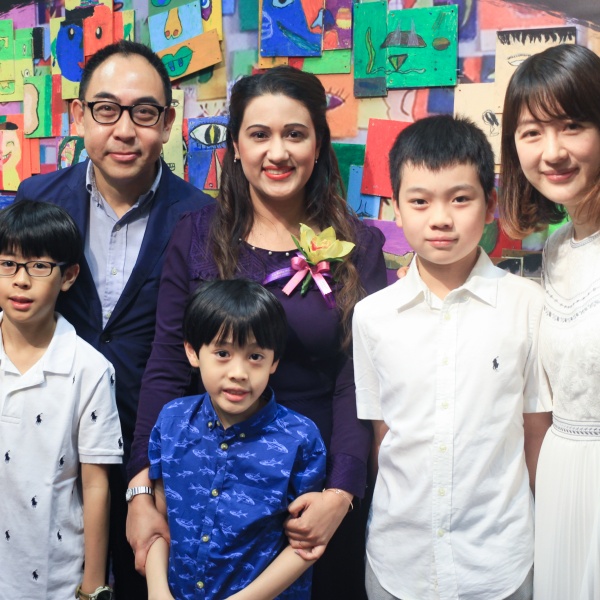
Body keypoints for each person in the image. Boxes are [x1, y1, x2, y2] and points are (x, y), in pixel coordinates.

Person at [127, 65, 387, 598]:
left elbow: (358, 381)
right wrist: (140, 489)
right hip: (205, 484)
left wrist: (341, 493)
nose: (278, 152)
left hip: (309, 493)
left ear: (318, 144)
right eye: (260, 134)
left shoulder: (357, 246)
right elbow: (167, 364)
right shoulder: (195, 236)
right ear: (236, 147)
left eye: (295, 134)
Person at [14, 40, 214, 598]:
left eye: (144, 112)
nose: (124, 130)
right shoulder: (38, 197)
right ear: (80, 116)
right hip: (46, 445)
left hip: (154, 455)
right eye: (106, 110)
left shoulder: (203, 218)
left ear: (167, 123)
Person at [353, 115, 549, 600]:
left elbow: (535, 431)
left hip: (500, 563)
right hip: (399, 562)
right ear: (396, 208)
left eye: (460, 199)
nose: (440, 218)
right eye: (420, 201)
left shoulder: (528, 306)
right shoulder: (372, 316)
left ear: (490, 205)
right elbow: (381, 436)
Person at [145, 279, 326, 600]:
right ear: (192, 352)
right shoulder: (172, 420)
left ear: (274, 361)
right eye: (222, 353)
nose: (238, 372)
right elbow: (160, 517)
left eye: (255, 356)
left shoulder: (300, 438)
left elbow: (305, 544)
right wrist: (158, 592)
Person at [500, 43, 600, 600]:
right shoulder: (558, 247)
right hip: (561, 482)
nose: (553, 151)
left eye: (572, 126)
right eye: (532, 132)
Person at [0, 200, 123, 599]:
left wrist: (92, 587)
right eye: (7, 264)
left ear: (68, 276)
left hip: (53, 577)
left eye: (39, 266)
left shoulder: (90, 370)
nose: (21, 280)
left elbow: (96, 486)